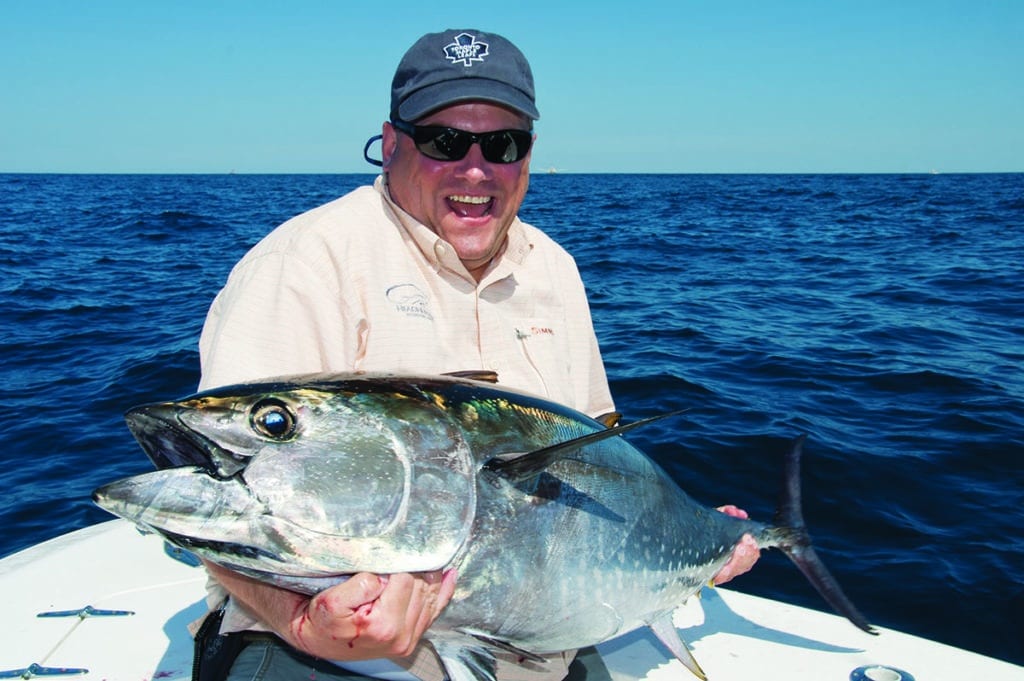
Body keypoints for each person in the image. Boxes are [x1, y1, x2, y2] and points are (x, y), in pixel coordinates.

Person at [194, 28, 759, 681]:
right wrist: (299, 619)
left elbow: (604, 458)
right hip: (335, 651)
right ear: (391, 142)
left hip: (541, 642)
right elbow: (226, 495)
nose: (475, 167)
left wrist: (694, 536)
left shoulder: (555, 270)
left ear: (528, 155)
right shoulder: (306, 261)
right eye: (444, 141)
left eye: (503, 144)